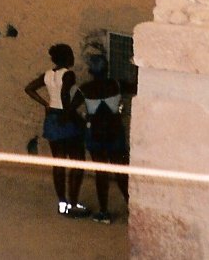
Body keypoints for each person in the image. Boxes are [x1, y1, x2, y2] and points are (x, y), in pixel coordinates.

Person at [24, 43, 88, 217]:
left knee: (58, 163)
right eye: (71, 55)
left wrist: (45, 103)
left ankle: (62, 202)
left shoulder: (47, 74)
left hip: (51, 119)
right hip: (66, 119)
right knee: (77, 161)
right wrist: (69, 115)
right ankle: (73, 203)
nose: (73, 58)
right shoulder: (68, 74)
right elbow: (65, 95)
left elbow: (29, 88)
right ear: (66, 58)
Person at [78, 53, 130, 224]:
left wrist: (86, 118)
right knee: (121, 172)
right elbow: (136, 87)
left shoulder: (86, 88)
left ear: (90, 71)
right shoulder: (116, 85)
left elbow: (71, 107)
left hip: (95, 134)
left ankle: (104, 212)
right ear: (107, 68)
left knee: (101, 173)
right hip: (115, 133)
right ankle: (132, 206)